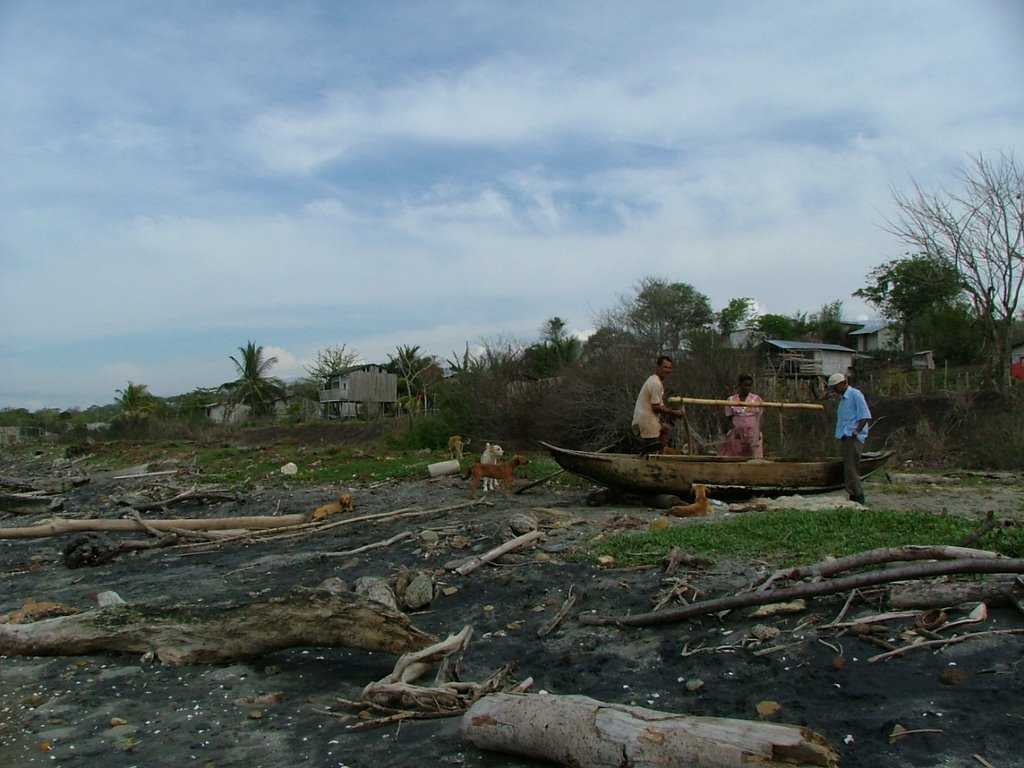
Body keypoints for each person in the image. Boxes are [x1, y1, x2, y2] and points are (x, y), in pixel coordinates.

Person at [827, 372, 872, 504]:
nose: (835, 391)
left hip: (853, 438)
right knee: (848, 468)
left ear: (842, 384)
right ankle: (853, 495)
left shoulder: (855, 395)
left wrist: (856, 432)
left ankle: (857, 496)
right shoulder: (843, 399)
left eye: (835, 388)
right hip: (846, 437)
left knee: (851, 469)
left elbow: (865, 416)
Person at [632, 355, 685, 454]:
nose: (668, 370)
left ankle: (660, 457)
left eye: (669, 368)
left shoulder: (654, 380)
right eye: (665, 367)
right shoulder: (655, 383)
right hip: (646, 421)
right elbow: (655, 407)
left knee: (665, 429)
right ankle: (655, 459)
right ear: (658, 367)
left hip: (646, 419)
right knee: (652, 450)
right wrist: (674, 412)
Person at [718, 373, 764, 457]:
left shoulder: (756, 399)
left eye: (749, 386)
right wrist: (734, 430)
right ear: (740, 385)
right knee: (737, 456)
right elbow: (727, 417)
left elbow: (760, 417)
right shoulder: (731, 400)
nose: (747, 388)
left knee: (755, 456)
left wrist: (758, 432)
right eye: (745, 385)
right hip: (738, 435)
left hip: (752, 434)